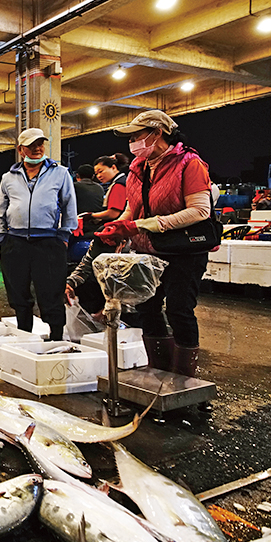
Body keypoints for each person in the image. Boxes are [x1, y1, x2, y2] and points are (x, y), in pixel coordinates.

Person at [95, 110, 214, 377]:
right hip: (147, 251)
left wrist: (141, 225)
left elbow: (199, 211)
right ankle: (159, 371)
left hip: (184, 251)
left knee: (179, 310)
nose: (133, 142)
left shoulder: (190, 163)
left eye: (137, 136)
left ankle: (185, 377)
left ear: (157, 133)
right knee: (146, 307)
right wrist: (119, 227)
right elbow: (131, 209)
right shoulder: (138, 168)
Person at [0, 128, 77, 341]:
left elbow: (69, 205)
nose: (37, 148)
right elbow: (1, 210)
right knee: (18, 292)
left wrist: (64, 236)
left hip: (49, 242)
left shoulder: (60, 173)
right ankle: (24, 336)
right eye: (31, 145)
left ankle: (57, 338)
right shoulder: (7, 177)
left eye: (40, 144)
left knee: (51, 292)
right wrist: (2, 237)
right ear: (21, 150)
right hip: (15, 242)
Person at [88, 155, 127, 227]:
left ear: (113, 167)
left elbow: (113, 213)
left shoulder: (119, 185)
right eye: (96, 174)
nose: (99, 176)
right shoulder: (120, 181)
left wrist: (91, 215)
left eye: (101, 171)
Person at [73, 164, 105, 230]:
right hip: (96, 225)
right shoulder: (100, 188)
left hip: (78, 225)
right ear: (93, 176)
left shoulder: (73, 186)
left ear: (77, 175)